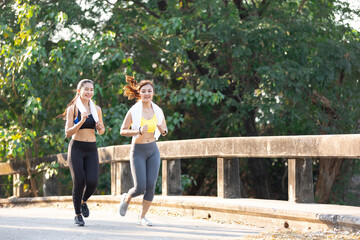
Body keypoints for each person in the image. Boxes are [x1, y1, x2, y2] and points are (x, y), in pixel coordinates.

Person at [119, 75, 168, 226]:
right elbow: (122, 131)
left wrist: (163, 130)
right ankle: (127, 197)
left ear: (153, 93)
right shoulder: (134, 110)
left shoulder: (158, 111)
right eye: (144, 91)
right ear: (139, 93)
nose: (147, 94)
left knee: (151, 185)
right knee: (140, 187)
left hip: (153, 149)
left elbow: (164, 131)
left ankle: (142, 217)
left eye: (149, 91)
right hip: (138, 150)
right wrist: (138, 130)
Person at [60, 79, 105, 226]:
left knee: (92, 181)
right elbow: (67, 133)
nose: (89, 92)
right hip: (76, 148)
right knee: (79, 181)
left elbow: (102, 131)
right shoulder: (73, 109)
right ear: (79, 91)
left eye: (91, 89)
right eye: (86, 89)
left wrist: (99, 127)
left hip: (91, 148)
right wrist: (80, 121)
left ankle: (83, 201)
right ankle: (77, 214)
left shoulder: (96, 109)